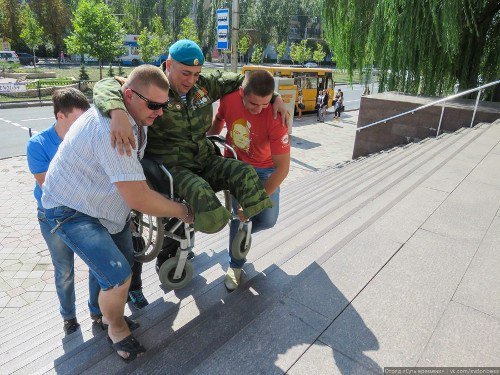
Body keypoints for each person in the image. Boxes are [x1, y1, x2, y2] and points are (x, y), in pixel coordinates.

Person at [93, 39, 289, 273]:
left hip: (204, 158)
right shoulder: (153, 85)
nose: (191, 80)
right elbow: (106, 85)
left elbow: (245, 81)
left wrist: (275, 97)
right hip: (173, 167)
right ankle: (204, 231)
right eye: (186, 72)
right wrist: (116, 112)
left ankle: (242, 223)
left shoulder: (204, 86)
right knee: (200, 193)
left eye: (196, 73)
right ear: (169, 64)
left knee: (243, 171)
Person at [41, 65, 193, 362]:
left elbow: (113, 82)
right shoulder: (112, 132)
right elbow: (138, 197)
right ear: (129, 96)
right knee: (118, 276)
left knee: (116, 265)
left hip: (106, 206)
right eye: (154, 106)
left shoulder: (130, 110)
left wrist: (120, 111)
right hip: (71, 209)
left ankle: (100, 315)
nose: (160, 113)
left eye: (163, 105)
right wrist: (184, 211)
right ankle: (117, 328)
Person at [208, 70, 291, 291]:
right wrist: (208, 141)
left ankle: (240, 233)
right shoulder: (229, 98)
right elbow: (219, 119)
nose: (259, 110)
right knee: (240, 218)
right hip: (236, 165)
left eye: (264, 104)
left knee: (269, 219)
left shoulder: (275, 116)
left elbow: (283, 168)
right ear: (241, 93)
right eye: (253, 104)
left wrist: (256, 201)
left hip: (265, 170)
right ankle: (235, 265)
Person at [27, 88, 98, 335]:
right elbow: (48, 185)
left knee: (96, 264)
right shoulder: (38, 144)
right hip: (52, 217)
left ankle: (97, 313)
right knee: (64, 270)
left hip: (85, 212)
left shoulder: (87, 138)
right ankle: (69, 317)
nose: (85, 126)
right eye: (78, 120)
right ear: (60, 116)